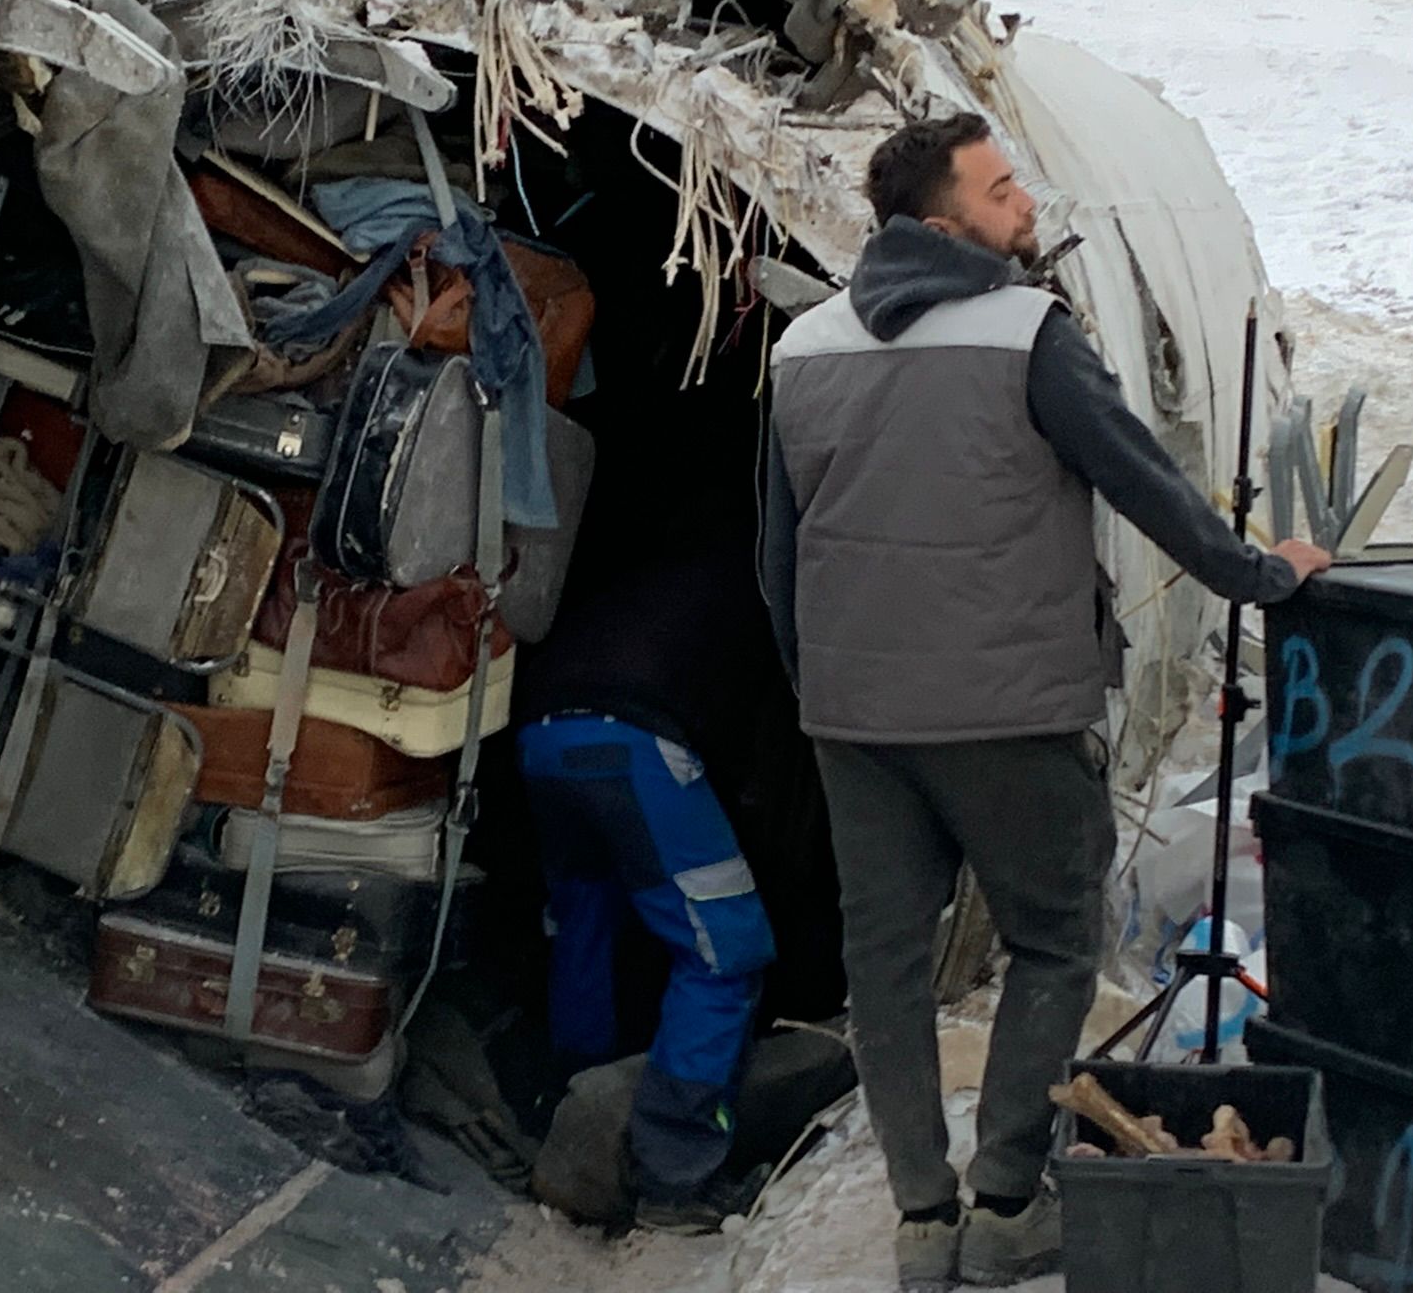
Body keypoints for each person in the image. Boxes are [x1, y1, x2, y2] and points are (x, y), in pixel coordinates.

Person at [761, 113, 1331, 1289]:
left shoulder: (802, 347)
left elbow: (777, 561)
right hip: (1004, 715)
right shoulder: (1026, 332)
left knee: (886, 968)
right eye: (1000, 187)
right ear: (939, 222)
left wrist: (823, 690)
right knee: (1054, 937)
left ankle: (921, 1218)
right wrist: (1265, 576)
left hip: (852, 721)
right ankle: (1006, 1203)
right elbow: (1147, 486)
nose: (1024, 203)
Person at [513, 481, 781, 1236]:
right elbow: (751, 755)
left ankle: (568, 1110)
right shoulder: (760, 583)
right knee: (726, 954)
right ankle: (674, 1177)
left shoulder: (653, 575)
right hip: (633, 742)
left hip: (539, 733)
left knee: (584, 917)